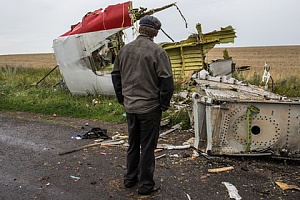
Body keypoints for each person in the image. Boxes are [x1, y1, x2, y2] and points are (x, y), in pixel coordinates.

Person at [111, 15, 174, 195]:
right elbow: (167, 82)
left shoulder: (124, 50)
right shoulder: (158, 52)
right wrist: (163, 104)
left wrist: (122, 98)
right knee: (147, 146)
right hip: (150, 108)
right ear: (155, 32)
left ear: (139, 29)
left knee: (133, 143)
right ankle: (146, 185)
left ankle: (130, 179)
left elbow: (115, 76)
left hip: (130, 107)